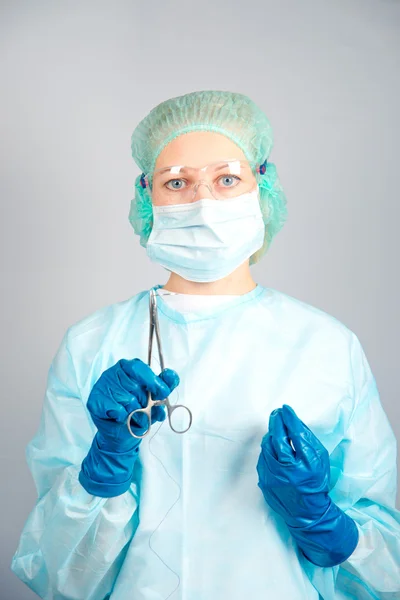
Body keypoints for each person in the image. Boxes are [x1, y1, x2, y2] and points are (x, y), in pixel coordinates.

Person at [11, 90, 400, 600]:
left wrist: (320, 518)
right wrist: (104, 465)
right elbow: (59, 573)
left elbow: (386, 571)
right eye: (177, 182)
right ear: (147, 196)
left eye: (226, 179)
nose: (203, 202)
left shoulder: (325, 345)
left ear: (262, 188)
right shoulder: (92, 344)